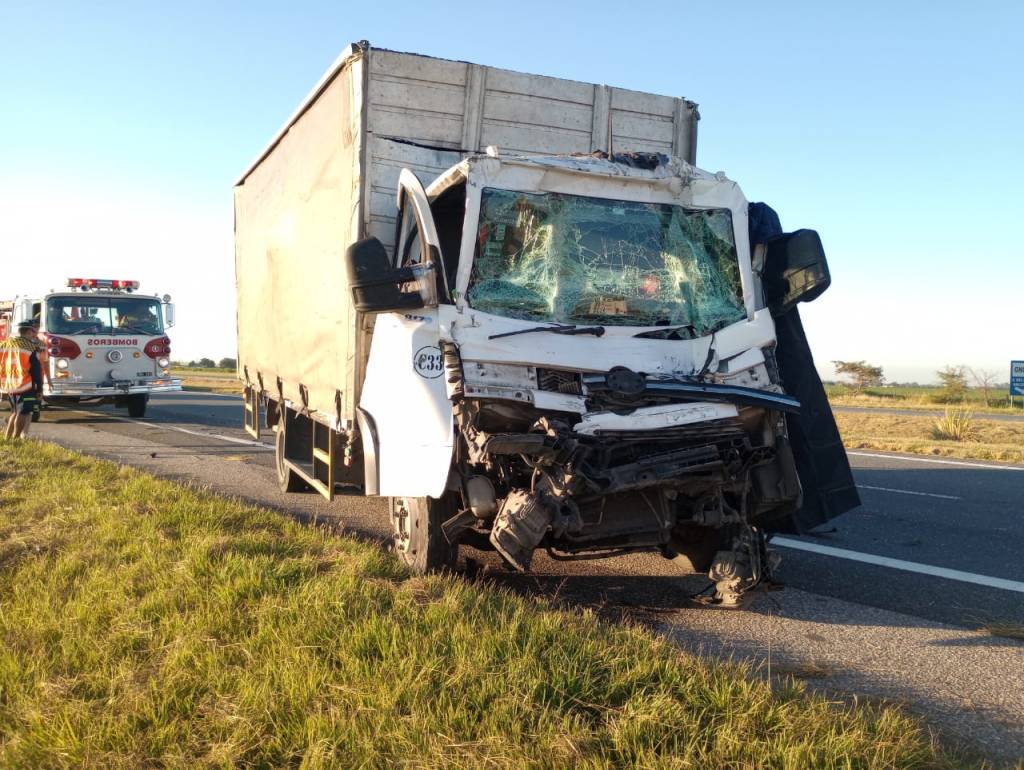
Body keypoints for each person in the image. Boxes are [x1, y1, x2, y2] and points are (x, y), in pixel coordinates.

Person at [1, 321, 41, 439]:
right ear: (28, 332)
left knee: (14, 412)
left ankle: (7, 438)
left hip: (8, 384)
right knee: (23, 413)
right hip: (25, 384)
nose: (33, 335)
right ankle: (16, 439)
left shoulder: (5, 344)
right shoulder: (31, 347)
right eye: (33, 332)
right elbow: (36, 371)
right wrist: (39, 388)